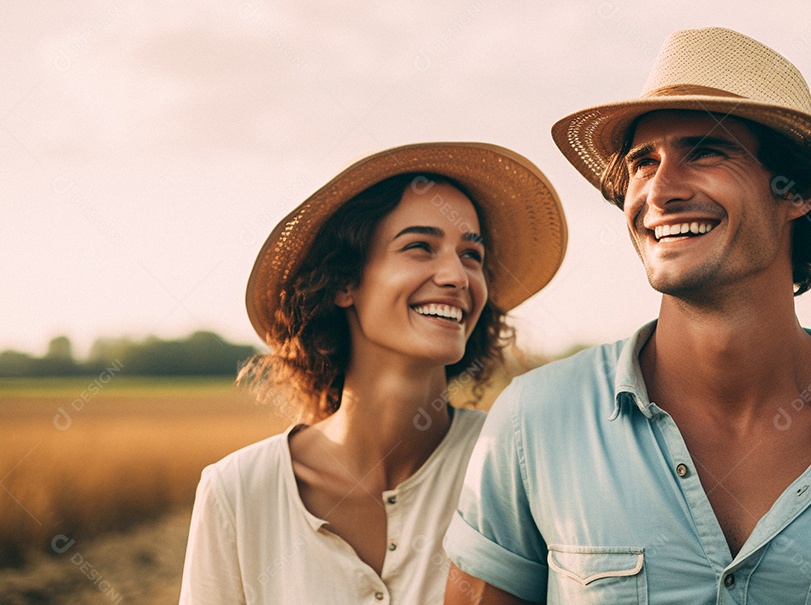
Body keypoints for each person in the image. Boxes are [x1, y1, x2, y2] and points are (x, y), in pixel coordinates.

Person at [445, 28, 811, 603]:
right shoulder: (533, 423)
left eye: (705, 151)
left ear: (797, 190)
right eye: (643, 162)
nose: (660, 190)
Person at [178, 142, 567, 604]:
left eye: (471, 255)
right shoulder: (237, 492)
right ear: (344, 281)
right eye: (420, 247)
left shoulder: (521, 468)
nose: (458, 277)